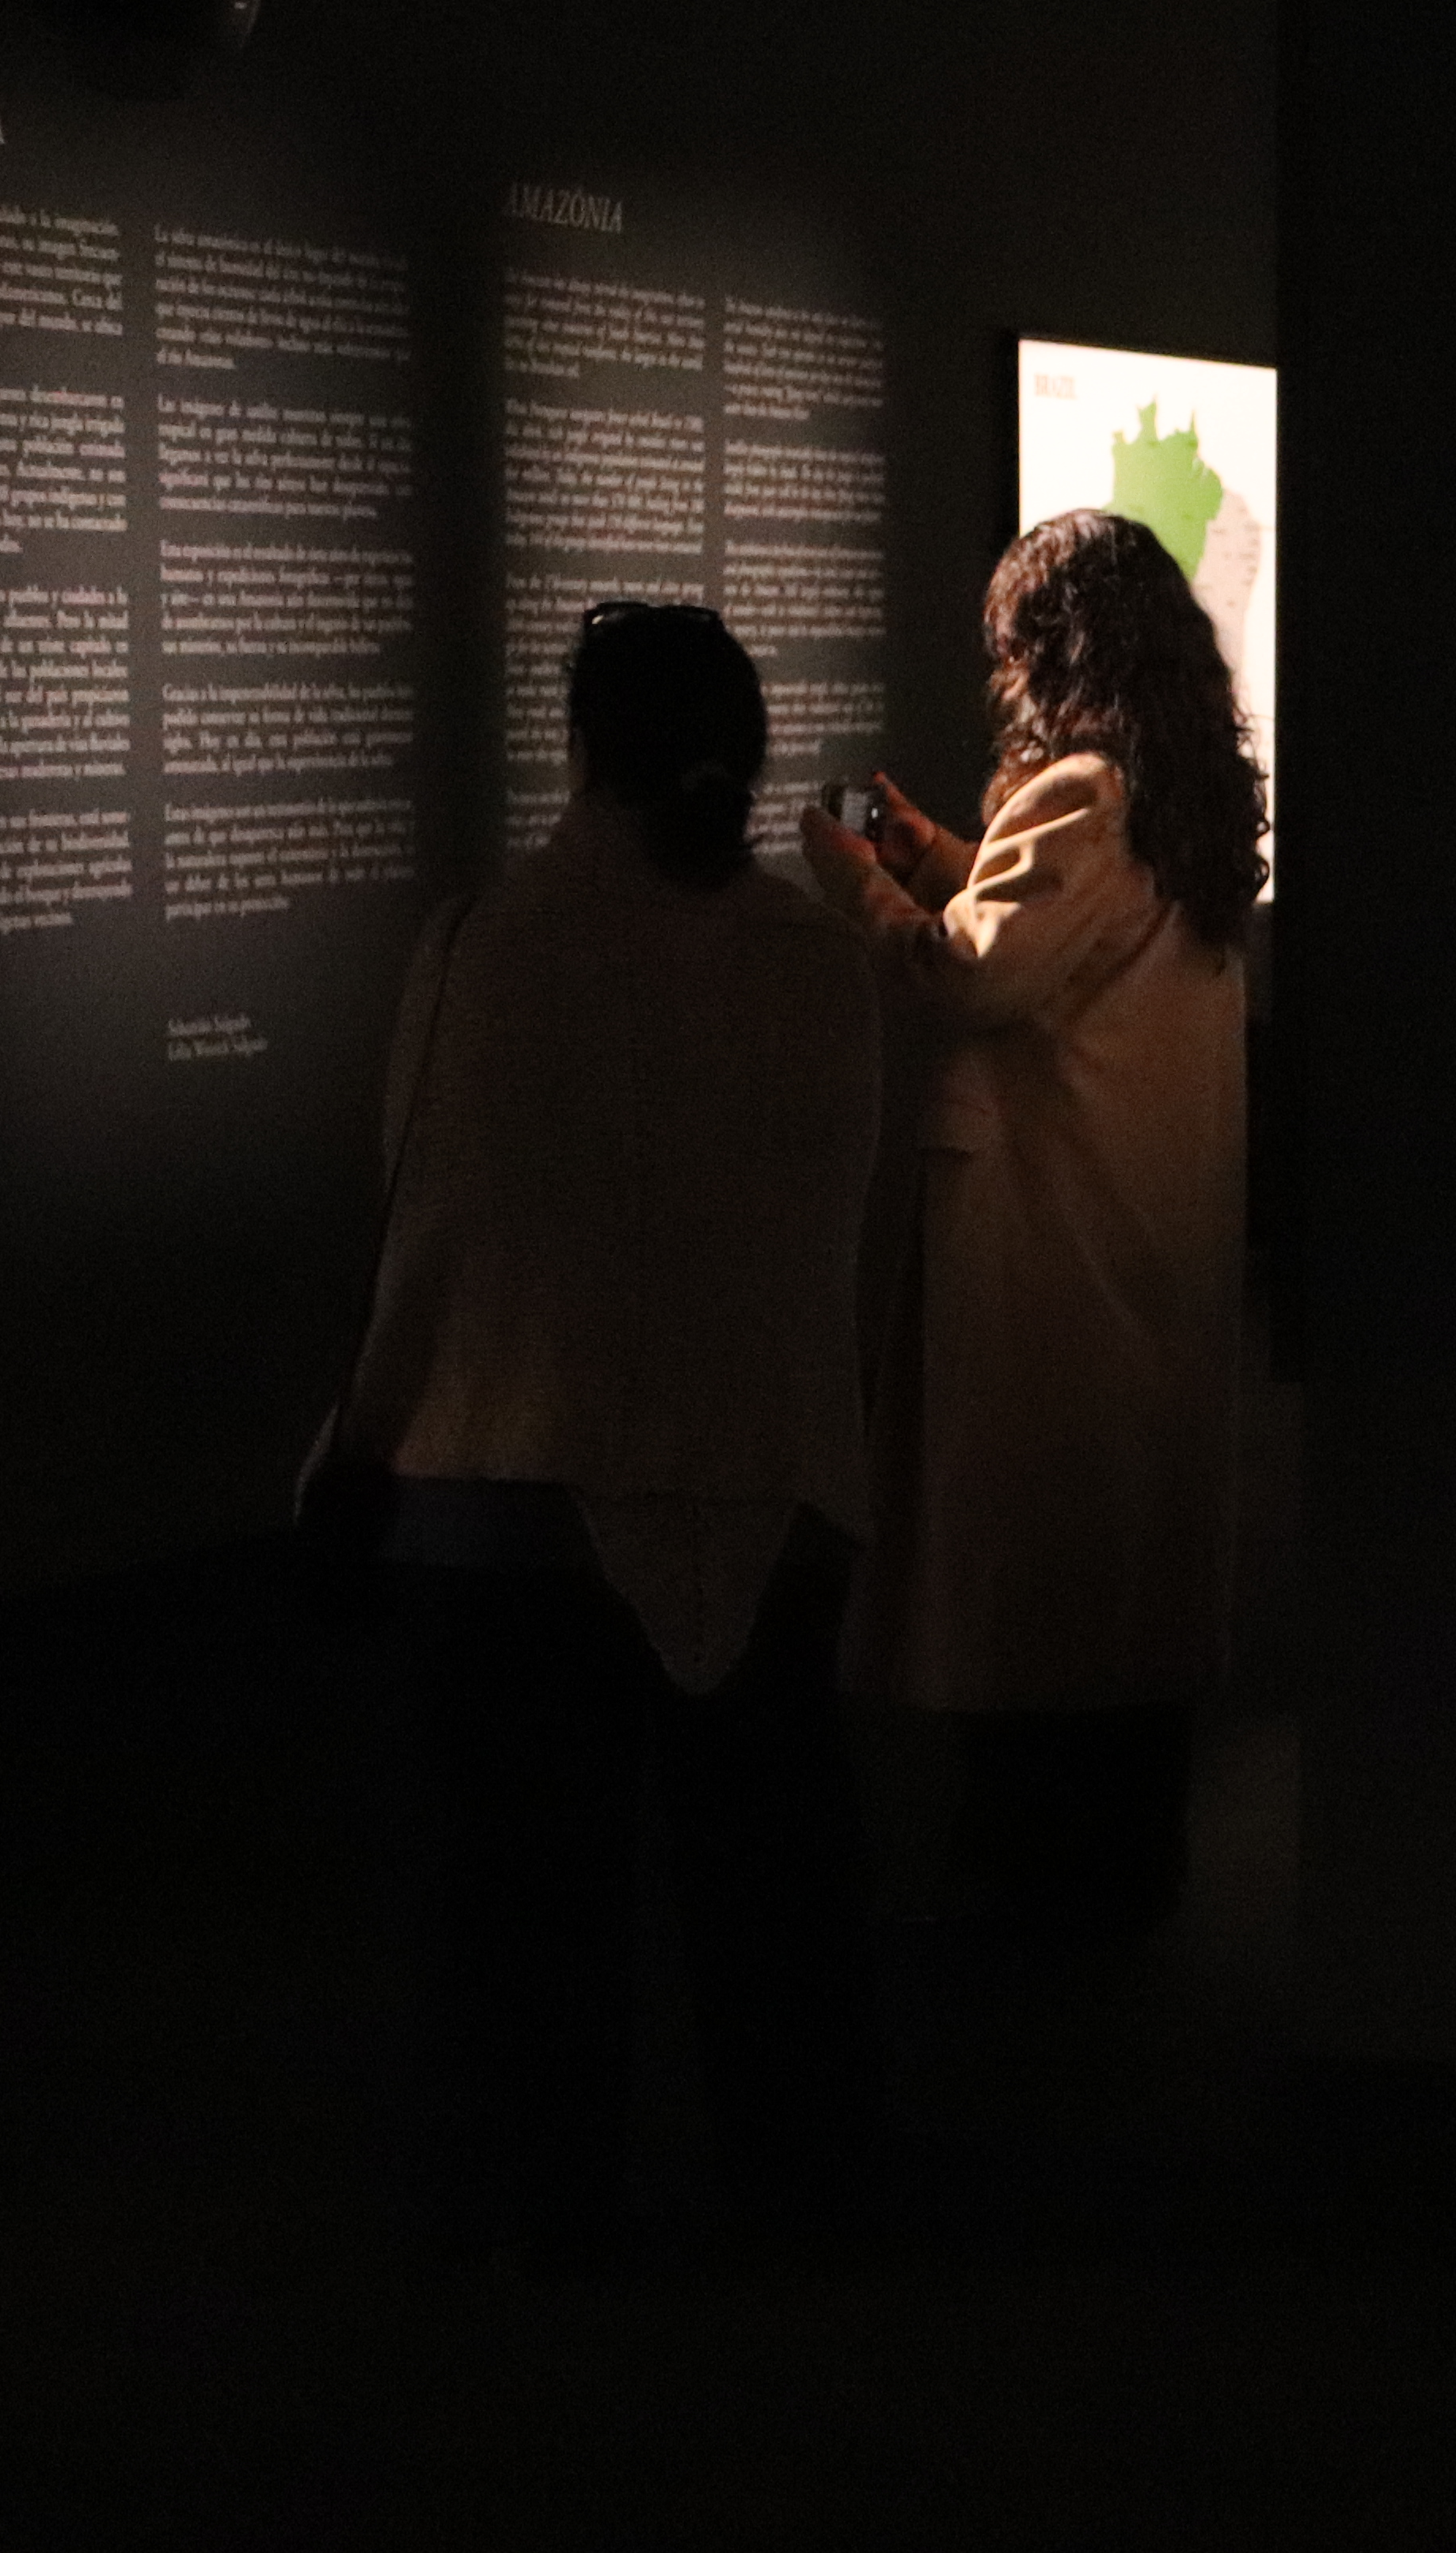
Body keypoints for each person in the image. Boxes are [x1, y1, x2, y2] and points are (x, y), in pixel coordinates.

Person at [343, 600, 883, 2262]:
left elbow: (425, 1224)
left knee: (525, 1921)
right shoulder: (820, 961)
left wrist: (361, 1437)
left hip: (505, 1485)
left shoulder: (485, 947)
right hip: (766, 1471)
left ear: (583, 747)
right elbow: (834, 1231)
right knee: (766, 1904)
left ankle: (536, 2225)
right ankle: (792, 2204)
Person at [804, 508, 1257, 1944]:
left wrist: (859, 882)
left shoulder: (1079, 793)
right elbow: (1043, 935)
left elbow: (970, 983)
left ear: (1051, 651)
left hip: (1053, 1231)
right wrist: (942, 847)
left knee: (1034, 1573)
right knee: (1121, 1565)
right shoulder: (1168, 792)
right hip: (1140, 1220)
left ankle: (1031, 1889)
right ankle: (1122, 1866)